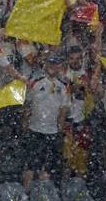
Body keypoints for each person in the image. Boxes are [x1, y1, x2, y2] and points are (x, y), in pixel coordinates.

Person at [21, 54, 70, 191]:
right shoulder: (35, 82)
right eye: (51, 63)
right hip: (34, 129)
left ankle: (43, 196)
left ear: (60, 66)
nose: (53, 67)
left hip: (52, 132)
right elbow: (27, 104)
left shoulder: (64, 86)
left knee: (47, 167)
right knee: (30, 165)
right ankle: (26, 195)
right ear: (46, 64)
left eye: (56, 64)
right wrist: (25, 124)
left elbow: (63, 110)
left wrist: (59, 131)